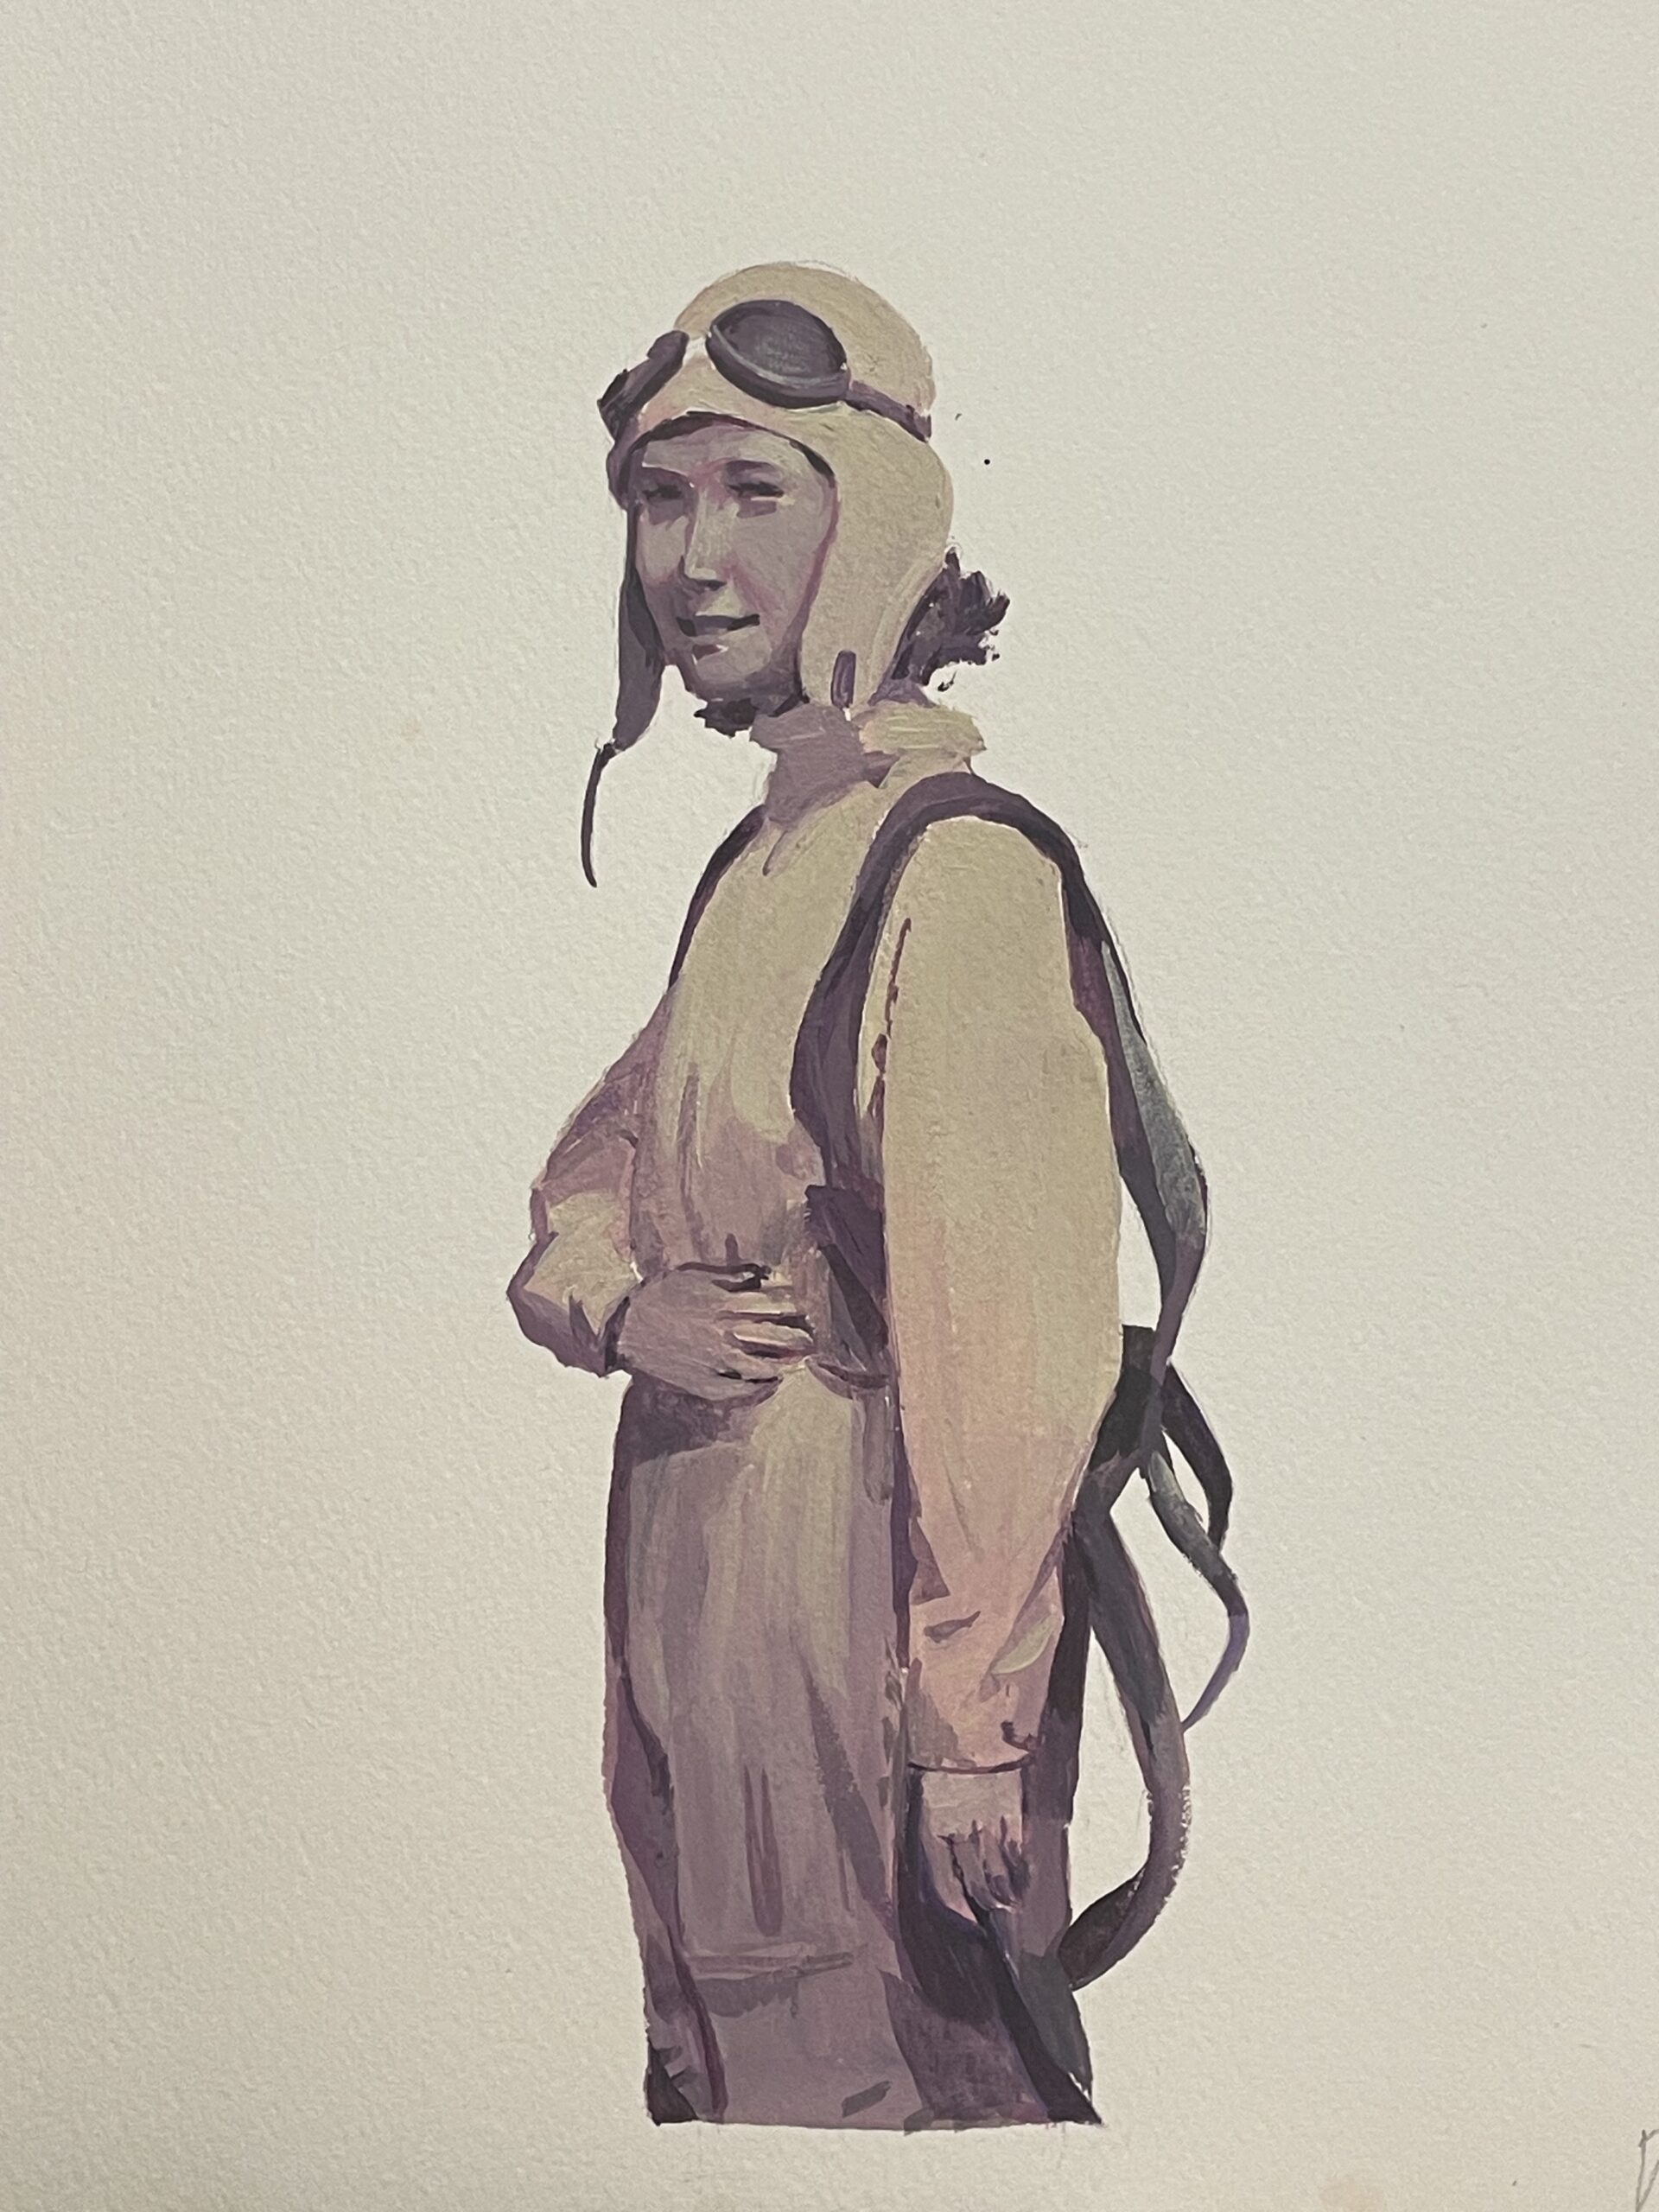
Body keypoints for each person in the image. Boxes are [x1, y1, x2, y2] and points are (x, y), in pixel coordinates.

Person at [510, 264, 1127, 2129]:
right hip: (701, 1631)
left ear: (877, 520)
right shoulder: (766, 861)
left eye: (752, 494)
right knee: (729, 2082)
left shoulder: (957, 872)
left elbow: (1012, 1355)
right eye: (658, 498)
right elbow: (583, 1189)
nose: (692, 561)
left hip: (865, 1660)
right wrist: (621, 1304)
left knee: (901, 2107)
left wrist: (974, 1728)